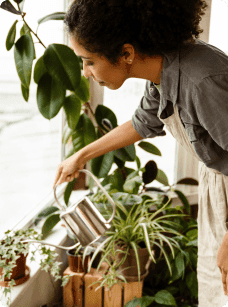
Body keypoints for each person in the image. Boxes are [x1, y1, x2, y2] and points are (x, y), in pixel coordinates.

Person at [53, 0, 228, 306]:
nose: (85, 73)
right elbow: (142, 123)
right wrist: (80, 156)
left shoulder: (201, 81)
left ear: (126, 53)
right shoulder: (163, 69)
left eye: (89, 61)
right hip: (218, 194)